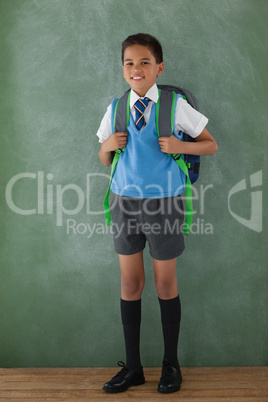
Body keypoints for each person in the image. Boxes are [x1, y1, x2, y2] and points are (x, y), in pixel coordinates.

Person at [97, 33, 218, 394]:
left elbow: (211, 144)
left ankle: (171, 365)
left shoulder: (174, 104)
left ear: (159, 68)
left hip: (165, 202)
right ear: (123, 70)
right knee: (131, 284)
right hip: (124, 202)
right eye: (130, 63)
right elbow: (104, 159)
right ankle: (133, 368)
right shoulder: (117, 107)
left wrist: (181, 145)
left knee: (165, 283)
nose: (137, 69)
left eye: (145, 62)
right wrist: (106, 146)